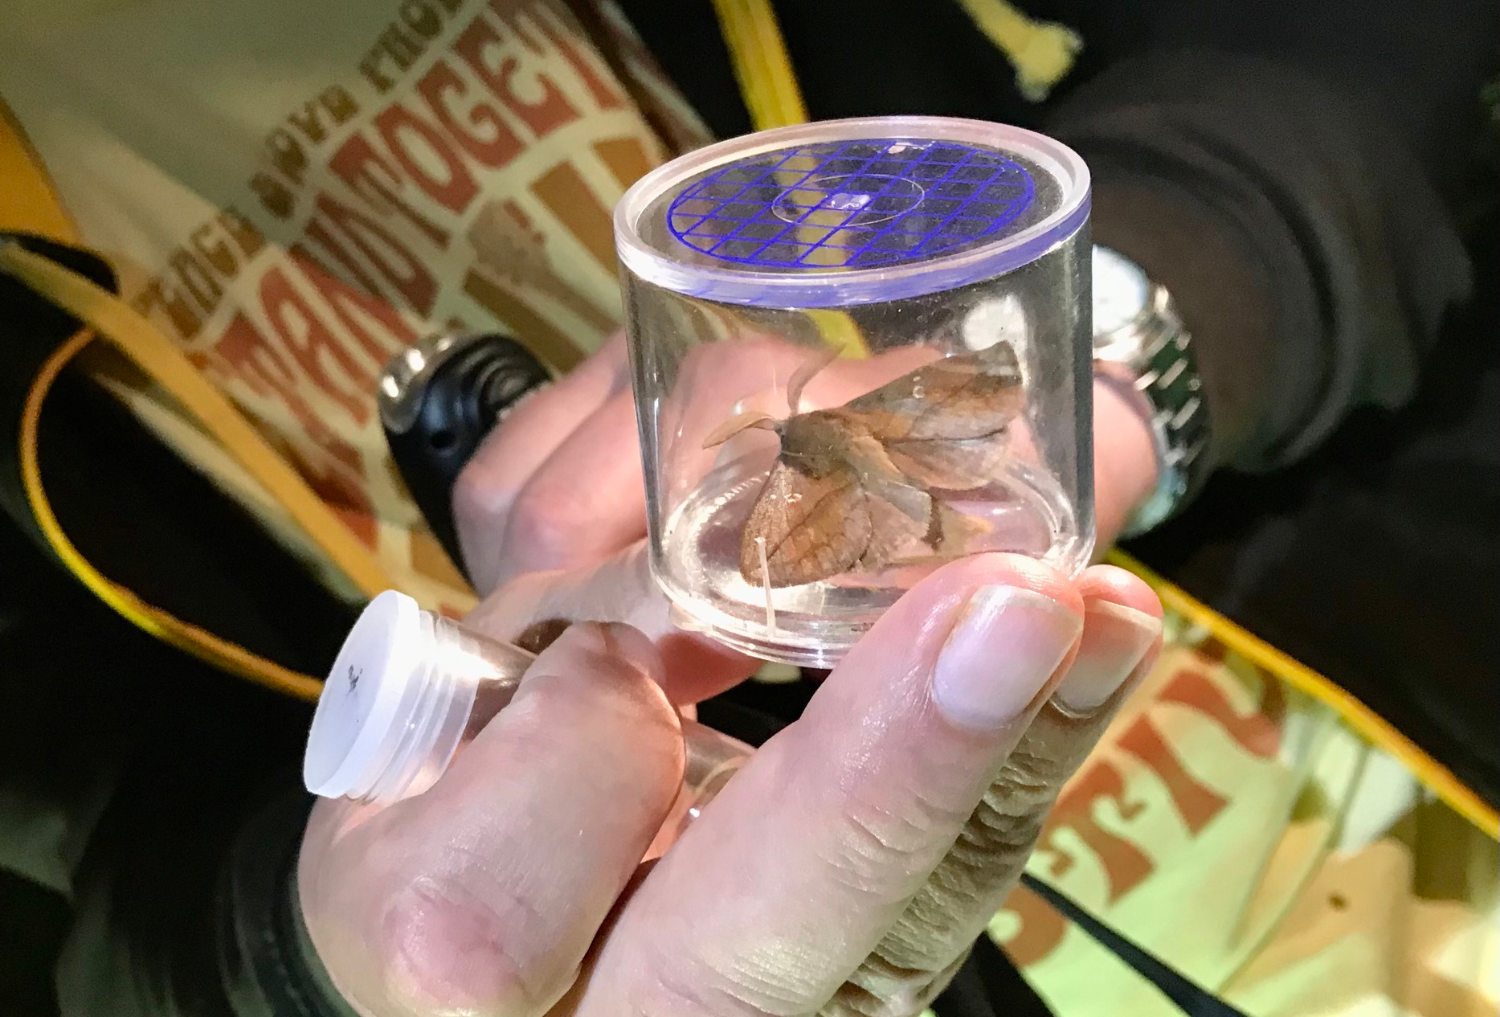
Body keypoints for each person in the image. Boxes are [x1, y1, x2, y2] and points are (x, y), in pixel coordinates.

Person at [0, 0, 1494, 1015]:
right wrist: (305, 961)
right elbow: (115, 866)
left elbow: (1354, 40)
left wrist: (1104, 374)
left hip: (1389, 738)